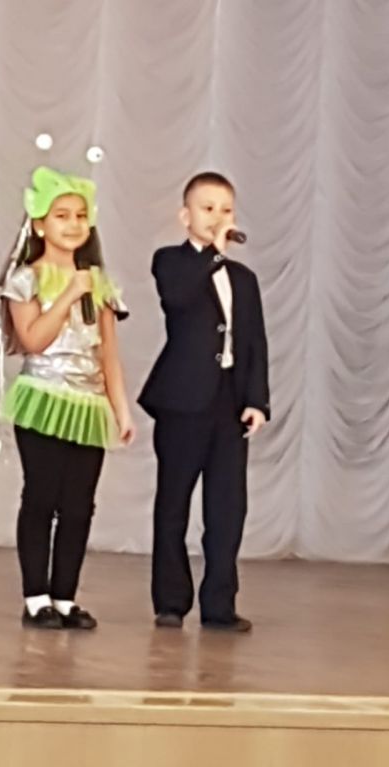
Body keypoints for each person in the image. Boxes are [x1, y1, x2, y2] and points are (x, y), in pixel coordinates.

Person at [0, 166, 135, 630]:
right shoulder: (25, 279)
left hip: (87, 406)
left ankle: (65, 597)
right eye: (61, 215)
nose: (73, 224)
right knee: (41, 498)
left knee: (79, 506)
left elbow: (108, 354)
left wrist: (121, 409)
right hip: (43, 400)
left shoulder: (100, 284)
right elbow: (33, 339)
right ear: (39, 225)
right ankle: (36, 597)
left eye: (80, 215)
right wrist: (70, 292)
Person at [138, 171, 270, 633]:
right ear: (185, 215)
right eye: (207, 208)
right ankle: (171, 601)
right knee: (173, 502)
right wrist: (213, 252)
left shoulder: (244, 279)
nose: (218, 217)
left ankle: (219, 604)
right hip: (183, 401)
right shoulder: (170, 261)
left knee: (227, 508)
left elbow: (254, 343)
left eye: (226, 209)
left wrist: (257, 400)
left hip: (228, 403)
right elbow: (177, 298)